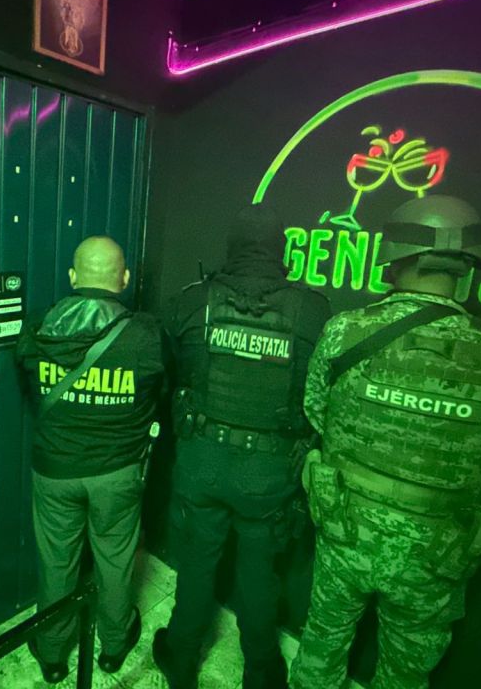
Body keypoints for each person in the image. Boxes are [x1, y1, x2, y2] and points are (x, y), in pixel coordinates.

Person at [290, 195, 481, 689]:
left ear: (393, 258)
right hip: (439, 551)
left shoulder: (345, 331)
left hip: (346, 527)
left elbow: (316, 411)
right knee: (405, 673)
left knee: (321, 645)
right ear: (469, 269)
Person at [152, 204, 331, 689]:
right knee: (258, 577)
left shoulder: (193, 300)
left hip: (202, 460)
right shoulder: (313, 312)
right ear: (281, 249)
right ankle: (262, 672)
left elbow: (169, 368)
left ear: (232, 247)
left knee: (196, 564)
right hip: (268, 473)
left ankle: (182, 658)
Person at [15, 235, 166, 683]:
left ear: (73, 276)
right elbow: (162, 392)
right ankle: (114, 648)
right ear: (124, 278)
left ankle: (52, 655)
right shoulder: (148, 335)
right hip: (119, 473)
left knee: (56, 562)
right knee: (115, 561)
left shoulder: (38, 325)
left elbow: (28, 386)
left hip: (55, 470)